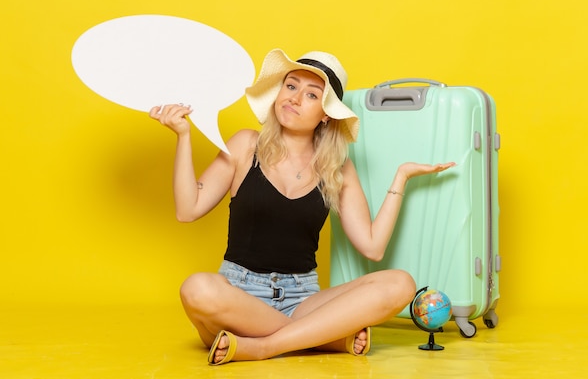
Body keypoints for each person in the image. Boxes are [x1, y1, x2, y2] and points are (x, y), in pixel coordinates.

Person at [149, 49, 455, 365]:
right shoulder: (245, 145)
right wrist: (183, 136)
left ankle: (264, 347)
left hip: (302, 299)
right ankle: (325, 339)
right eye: (291, 86)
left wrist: (401, 177)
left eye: (311, 95)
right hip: (238, 296)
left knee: (400, 284)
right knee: (198, 289)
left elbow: (373, 248)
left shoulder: (337, 168)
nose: (294, 98)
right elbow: (188, 210)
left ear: (326, 114)